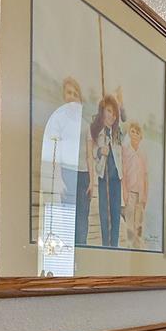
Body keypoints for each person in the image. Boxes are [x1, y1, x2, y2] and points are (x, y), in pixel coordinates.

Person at [88, 90, 125, 247]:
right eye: (109, 111)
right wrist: (99, 151)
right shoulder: (96, 131)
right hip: (103, 178)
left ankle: (114, 246)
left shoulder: (118, 133)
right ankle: (105, 245)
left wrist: (121, 104)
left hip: (116, 180)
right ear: (102, 111)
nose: (112, 116)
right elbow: (91, 153)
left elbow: (125, 121)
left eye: (114, 113)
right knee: (104, 214)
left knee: (115, 215)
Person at [60, 77, 92, 245]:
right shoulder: (60, 122)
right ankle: (66, 250)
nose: (72, 96)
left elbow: (89, 155)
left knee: (82, 217)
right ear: (64, 96)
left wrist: (92, 181)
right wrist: (58, 180)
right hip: (67, 173)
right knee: (67, 215)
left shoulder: (86, 125)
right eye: (69, 93)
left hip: (83, 174)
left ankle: (82, 248)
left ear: (80, 99)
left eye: (75, 94)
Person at [121, 121, 148, 249]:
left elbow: (145, 176)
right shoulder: (126, 152)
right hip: (130, 192)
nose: (135, 134)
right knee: (129, 222)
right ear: (129, 133)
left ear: (141, 136)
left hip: (140, 194)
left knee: (139, 223)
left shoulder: (143, 155)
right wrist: (125, 192)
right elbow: (123, 173)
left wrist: (145, 196)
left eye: (137, 132)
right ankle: (129, 246)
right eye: (132, 131)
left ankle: (138, 246)